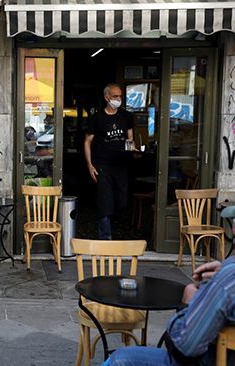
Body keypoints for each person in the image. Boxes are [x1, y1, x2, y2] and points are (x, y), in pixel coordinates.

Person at [103, 258, 235, 366]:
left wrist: (186, 305)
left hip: (209, 361)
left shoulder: (228, 277)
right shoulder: (227, 273)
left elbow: (187, 347)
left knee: (118, 359)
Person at [84, 83, 135, 240]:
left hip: (121, 165)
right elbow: (87, 142)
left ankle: (119, 228)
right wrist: (90, 166)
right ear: (107, 98)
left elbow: (130, 138)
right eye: (115, 96)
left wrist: (132, 148)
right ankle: (105, 237)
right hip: (103, 165)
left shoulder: (126, 116)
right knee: (104, 201)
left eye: (120, 96)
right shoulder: (98, 118)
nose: (118, 99)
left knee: (122, 200)